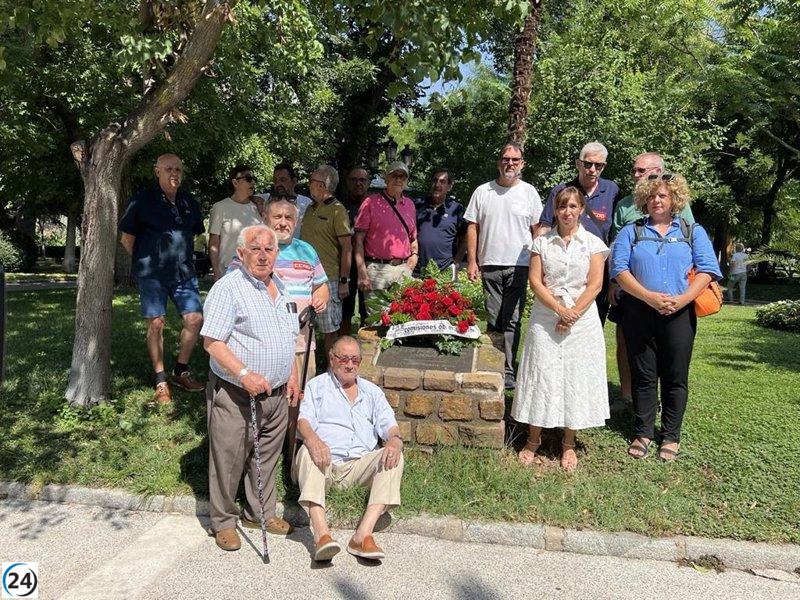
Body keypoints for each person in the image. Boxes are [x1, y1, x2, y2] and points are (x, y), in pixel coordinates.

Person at [201, 224, 301, 551]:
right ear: (241, 253)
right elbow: (212, 342)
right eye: (254, 249)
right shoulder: (228, 288)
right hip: (237, 393)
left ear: (276, 253)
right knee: (229, 459)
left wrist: (292, 375)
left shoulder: (281, 287)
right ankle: (223, 522)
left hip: (276, 394)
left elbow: (290, 339)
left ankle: (259, 514)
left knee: (266, 458)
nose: (262, 255)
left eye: (268, 249)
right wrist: (244, 374)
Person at [611, 174, 721, 461]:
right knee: (643, 374)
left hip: (679, 312)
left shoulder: (692, 231)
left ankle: (671, 435)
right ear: (643, 200)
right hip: (639, 311)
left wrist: (683, 300)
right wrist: (648, 296)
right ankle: (643, 432)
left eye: (663, 195)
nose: (657, 200)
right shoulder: (631, 231)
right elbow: (619, 270)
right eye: (651, 196)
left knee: (675, 376)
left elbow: (708, 269)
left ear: (674, 199)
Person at [512, 187, 610, 471]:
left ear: (581, 209)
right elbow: (535, 282)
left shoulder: (593, 243)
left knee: (574, 377)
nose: (567, 212)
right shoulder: (541, 243)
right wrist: (559, 309)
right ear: (555, 210)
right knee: (541, 373)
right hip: (546, 316)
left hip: (582, 320)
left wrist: (572, 313)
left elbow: (595, 285)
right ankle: (533, 439)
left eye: (573, 206)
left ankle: (568, 443)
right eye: (562, 207)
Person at [294, 336, 404, 562]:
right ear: (332, 359)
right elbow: (303, 422)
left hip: (358, 466)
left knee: (394, 455)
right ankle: (322, 535)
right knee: (306, 450)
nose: (350, 365)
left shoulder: (372, 392)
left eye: (355, 360)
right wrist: (313, 440)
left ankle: (362, 536)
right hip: (324, 463)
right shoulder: (317, 386)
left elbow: (390, 428)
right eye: (344, 359)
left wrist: (395, 441)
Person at [608, 152, 695, 410]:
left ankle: (659, 401)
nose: (635, 174)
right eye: (634, 170)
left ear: (657, 171)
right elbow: (615, 245)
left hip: (672, 293)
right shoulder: (624, 205)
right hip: (631, 290)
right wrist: (614, 282)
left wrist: (682, 292)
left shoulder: (679, 203)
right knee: (625, 339)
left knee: (669, 349)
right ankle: (627, 395)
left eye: (641, 170)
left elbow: (688, 243)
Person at [119, 153, 205, 404]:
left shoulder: (189, 201)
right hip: (153, 275)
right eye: (168, 169)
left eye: (178, 169)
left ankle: (180, 370)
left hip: (184, 274)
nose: (174, 173)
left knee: (195, 319)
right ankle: (160, 380)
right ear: (157, 171)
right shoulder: (141, 201)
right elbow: (126, 239)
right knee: (156, 323)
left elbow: (194, 234)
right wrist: (145, 263)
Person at [465, 142, 543, 389]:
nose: (510, 163)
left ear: (522, 164)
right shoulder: (483, 191)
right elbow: (472, 226)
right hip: (490, 264)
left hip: (519, 265)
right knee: (493, 319)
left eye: (515, 160)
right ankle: (492, 365)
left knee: (512, 319)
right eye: (506, 159)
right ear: (499, 162)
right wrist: (472, 261)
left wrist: (537, 263)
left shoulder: (529, 192)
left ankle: (508, 370)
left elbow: (538, 230)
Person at [266, 194, 330, 457]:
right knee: (271, 396)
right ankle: (268, 449)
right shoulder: (257, 249)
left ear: (296, 221)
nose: (283, 222)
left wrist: (321, 296)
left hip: (303, 341)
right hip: (267, 344)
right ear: (266, 219)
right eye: (277, 217)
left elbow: (321, 284)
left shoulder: (307, 250)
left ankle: (293, 451)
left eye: (288, 217)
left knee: (300, 397)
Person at [537, 141, 620, 326]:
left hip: (597, 272)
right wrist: (538, 266)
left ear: (604, 166)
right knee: (557, 324)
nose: (592, 169)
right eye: (588, 164)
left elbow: (615, 236)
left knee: (592, 324)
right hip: (564, 273)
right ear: (578, 163)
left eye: (598, 165)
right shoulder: (561, 190)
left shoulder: (612, 190)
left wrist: (614, 278)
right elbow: (544, 228)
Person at [301, 165, 352, 355]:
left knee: (329, 329)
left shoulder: (337, 210)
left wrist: (344, 280)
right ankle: (308, 365)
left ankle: (331, 368)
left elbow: (347, 247)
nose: (309, 185)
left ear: (322, 185)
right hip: (304, 277)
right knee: (304, 326)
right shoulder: (310, 208)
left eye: (312, 181)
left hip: (328, 278)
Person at [354, 161, 418, 307]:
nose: (398, 180)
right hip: (377, 270)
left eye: (402, 177)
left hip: (403, 269)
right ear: (386, 178)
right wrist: (362, 272)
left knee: (403, 316)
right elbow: (358, 240)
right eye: (394, 176)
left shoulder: (410, 205)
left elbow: (413, 237)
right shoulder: (370, 202)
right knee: (377, 318)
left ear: (407, 180)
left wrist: (414, 255)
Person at [208, 165, 263, 280]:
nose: (253, 182)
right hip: (228, 273)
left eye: (254, 179)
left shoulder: (257, 208)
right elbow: (214, 242)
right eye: (248, 178)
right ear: (235, 182)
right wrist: (216, 271)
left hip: (254, 272)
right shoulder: (220, 207)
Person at [414, 168, 467, 278]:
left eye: (442, 182)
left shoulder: (457, 209)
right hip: (417, 270)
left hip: (445, 271)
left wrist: (456, 263)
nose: (437, 184)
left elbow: (465, 240)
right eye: (435, 180)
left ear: (450, 186)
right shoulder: (417, 205)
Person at [340, 167, 370, 335]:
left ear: (368, 183)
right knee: (345, 310)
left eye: (362, 180)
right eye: (354, 179)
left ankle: (366, 345)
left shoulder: (374, 205)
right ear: (347, 182)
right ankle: (343, 344)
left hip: (368, 263)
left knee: (368, 310)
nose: (358, 183)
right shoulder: (339, 206)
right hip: (345, 263)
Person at [271, 162, 313, 237]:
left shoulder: (306, 203)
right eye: (275, 180)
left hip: (298, 244)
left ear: (294, 181)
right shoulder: (267, 200)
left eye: (283, 180)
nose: (278, 184)